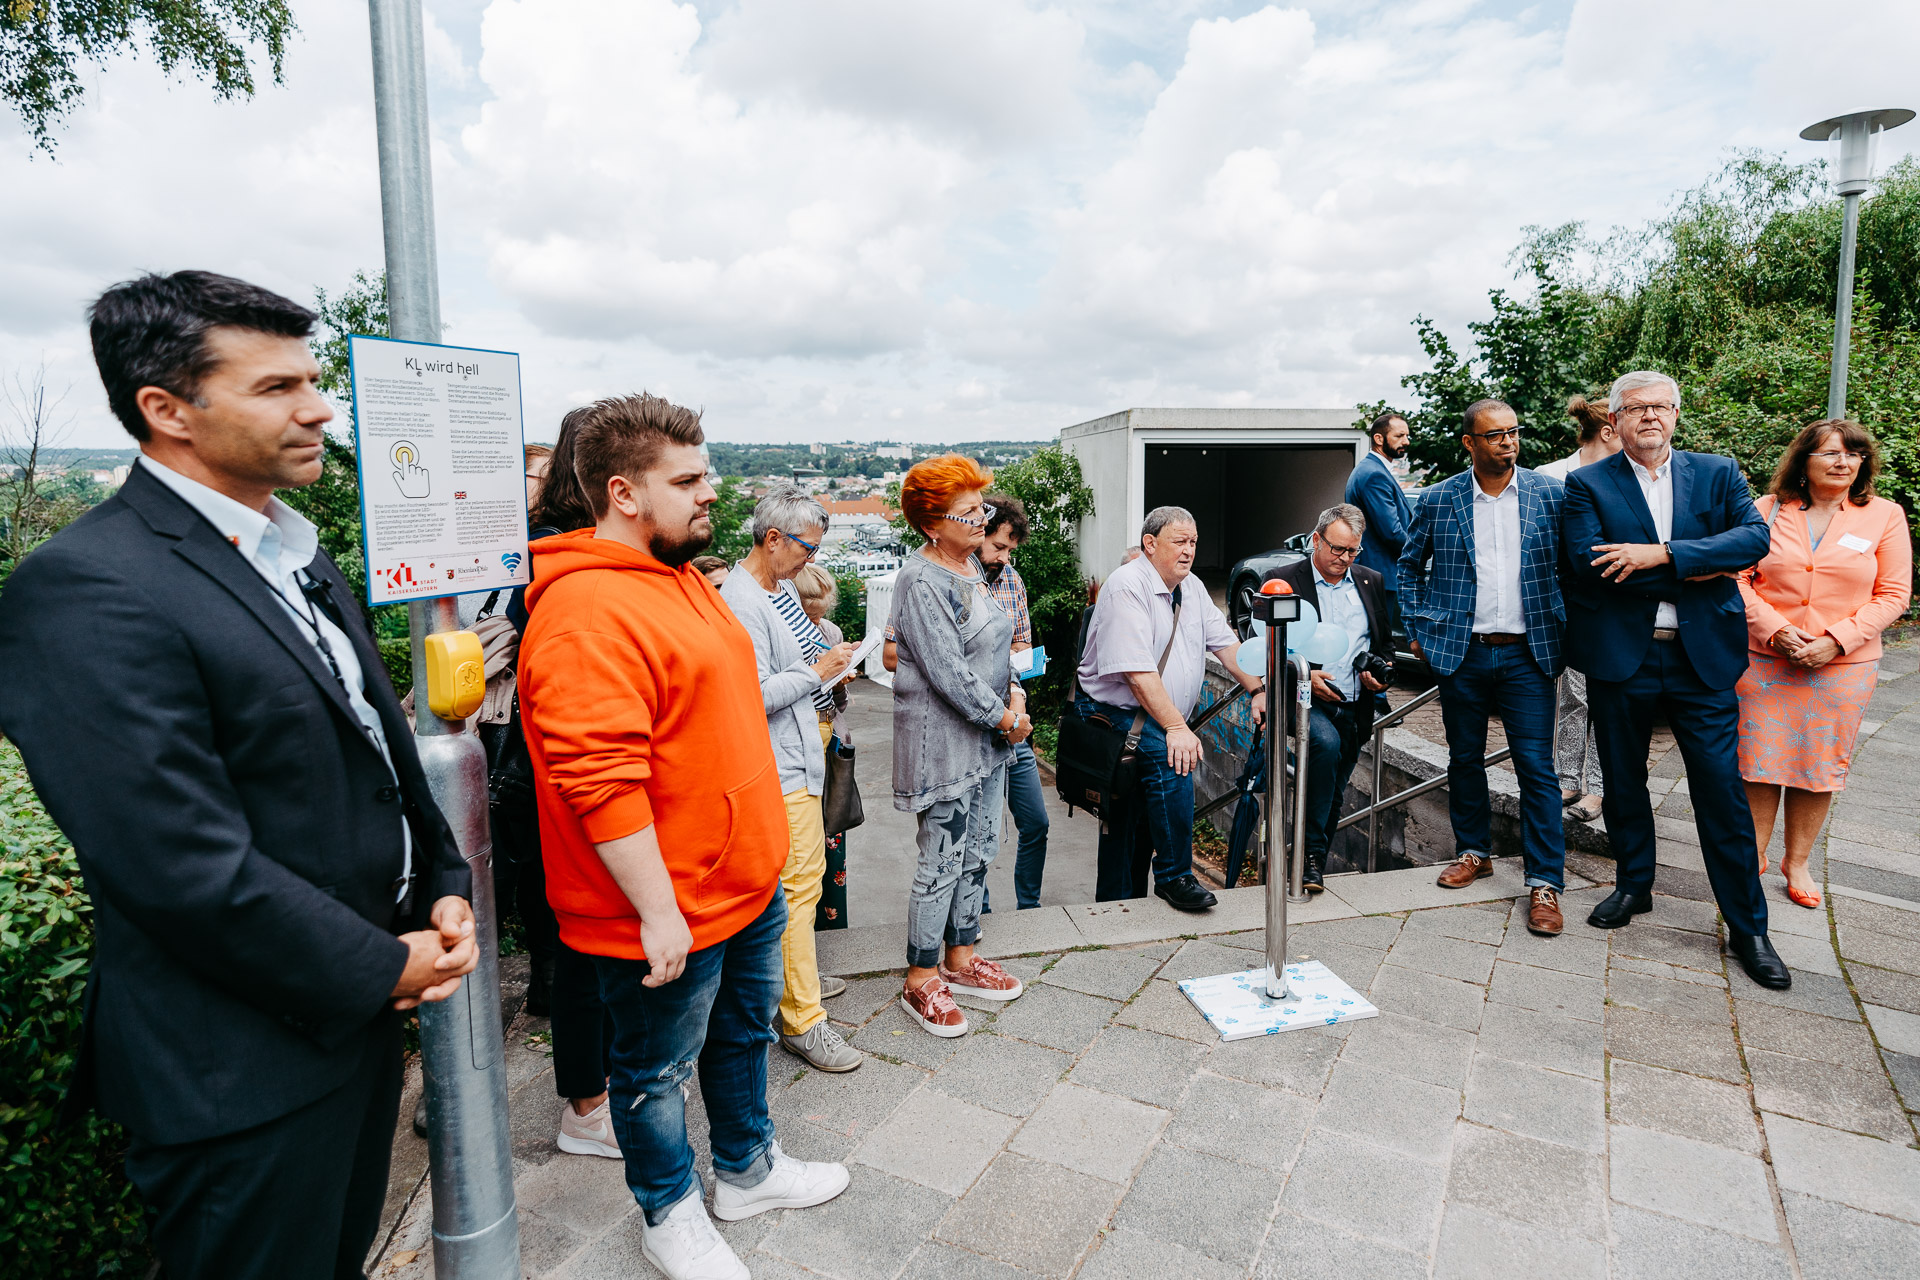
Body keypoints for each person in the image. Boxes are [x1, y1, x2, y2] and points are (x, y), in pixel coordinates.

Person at [0, 271, 477, 1276]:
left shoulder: (294, 552)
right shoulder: (86, 587)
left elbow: (373, 748)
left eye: (312, 378)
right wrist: (385, 965)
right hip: (237, 1072)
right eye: (274, 387)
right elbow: (175, 859)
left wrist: (443, 882)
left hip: (346, 1032)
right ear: (166, 410)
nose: (317, 407)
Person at [518, 394, 849, 1280]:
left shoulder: (678, 580)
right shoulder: (586, 609)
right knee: (654, 1071)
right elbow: (599, 776)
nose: (713, 493)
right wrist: (657, 912)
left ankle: (746, 1170)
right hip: (669, 906)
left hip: (742, 884)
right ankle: (669, 1212)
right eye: (691, 479)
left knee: (742, 1036)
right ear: (623, 493)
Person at [1563, 370, 1788, 989]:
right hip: (1622, 658)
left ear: (1676, 413)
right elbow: (1590, 565)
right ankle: (1634, 887)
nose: (1650, 417)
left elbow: (1753, 541)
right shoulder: (1587, 485)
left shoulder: (1717, 472)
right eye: (1635, 409)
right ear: (1615, 421)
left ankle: (1748, 928)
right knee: (1625, 784)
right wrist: (1702, 563)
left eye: (1660, 406)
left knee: (1720, 791)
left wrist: (1659, 554)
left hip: (1702, 659)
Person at [1398, 399, 1569, 937]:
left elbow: (1572, 566)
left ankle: (1545, 882)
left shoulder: (1549, 494)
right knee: (1464, 758)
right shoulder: (1440, 497)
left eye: (1513, 433)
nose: (1508, 442)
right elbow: (1408, 567)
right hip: (1462, 652)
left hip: (1528, 652)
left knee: (1537, 769)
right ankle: (1474, 851)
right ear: (1469, 443)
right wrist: (1420, 629)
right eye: (1494, 436)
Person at [1737, 419, 1911, 909]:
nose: (1842, 462)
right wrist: (1776, 629)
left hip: (1842, 667)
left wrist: (1837, 640)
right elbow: (1737, 578)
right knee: (1758, 762)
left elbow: (1895, 594)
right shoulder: (1767, 510)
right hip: (1765, 658)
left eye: (1852, 454)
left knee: (1818, 765)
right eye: (1830, 453)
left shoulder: (1884, 515)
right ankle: (1752, 855)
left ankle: (1799, 862)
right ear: (1803, 462)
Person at [720, 487, 862, 1073]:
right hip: (777, 767)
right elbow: (749, 696)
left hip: (796, 758)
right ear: (772, 538)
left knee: (803, 883)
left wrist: (831, 666)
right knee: (797, 887)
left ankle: (793, 988)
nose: (812, 559)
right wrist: (818, 671)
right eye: (807, 547)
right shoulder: (743, 601)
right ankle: (802, 1018)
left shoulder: (771, 593)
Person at [891, 456, 1030, 1036]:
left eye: (981, 507)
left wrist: (1016, 697)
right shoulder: (920, 580)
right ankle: (921, 977)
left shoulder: (973, 566)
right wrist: (1004, 718)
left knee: (979, 852)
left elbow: (997, 654)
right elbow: (948, 671)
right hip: (944, 745)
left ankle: (962, 954)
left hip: (989, 738)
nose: (981, 519)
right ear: (931, 524)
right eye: (967, 512)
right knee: (941, 860)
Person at [1077, 505, 1267, 909]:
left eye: (1194, 542)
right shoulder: (1127, 585)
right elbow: (1137, 673)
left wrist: (1256, 690)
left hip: (1153, 716)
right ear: (1150, 544)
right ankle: (1175, 875)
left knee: (1132, 822)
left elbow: (1226, 645)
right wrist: (1177, 728)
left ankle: (1119, 904)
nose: (1188, 551)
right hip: (1116, 715)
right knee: (1173, 761)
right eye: (1179, 541)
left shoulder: (1193, 587)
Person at [1266, 505, 1394, 891]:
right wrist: (1304, 672)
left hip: (1355, 703)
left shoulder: (1370, 580)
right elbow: (1269, 646)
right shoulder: (1284, 580)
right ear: (1316, 539)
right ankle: (1309, 861)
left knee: (1335, 788)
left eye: (1353, 552)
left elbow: (1384, 645)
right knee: (1325, 745)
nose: (1344, 559)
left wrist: (1381, 676)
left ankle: (1308, 856)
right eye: (1337, 549)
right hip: (1306, 699)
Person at [1536, 394, 1623, 824]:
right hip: (1563, 603)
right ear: (1608, 431)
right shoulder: (1548, 476)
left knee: (1606, 699)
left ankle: (1600, 789)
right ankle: (1567, 777)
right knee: (1572, 696)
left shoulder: (1625, 479)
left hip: (1612, 603)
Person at [976, 494, 1051, 910]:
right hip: (977, 727)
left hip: (1015, 723)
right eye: (999, 546)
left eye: (1010, 550)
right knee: (980, 830)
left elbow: (1023, 642)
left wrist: (1017, 694)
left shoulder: (1012, 580)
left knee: (1036, 823)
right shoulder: (957, 581)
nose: (1005, 558)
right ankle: (978, 910)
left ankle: (1029, 907)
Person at [793, 564, 853, 931]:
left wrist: (841, 680)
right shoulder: (779, 629)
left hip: (831, 740)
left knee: (832, 834)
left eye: (821, 614)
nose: (816, 622)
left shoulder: (830, 632)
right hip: (798, 743)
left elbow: (839, 702)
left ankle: (832, 927)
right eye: (808, 614)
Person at [1345, 411, 1415, 633]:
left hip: (1376, 572)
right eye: (1399, 436)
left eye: (1407, 435)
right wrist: (1420, 552)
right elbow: (1391, 532)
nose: (1406, 441)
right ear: (1378, 439)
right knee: (1379, 641)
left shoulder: (1372, 470)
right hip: (1378, 574)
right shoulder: (1374, 474)